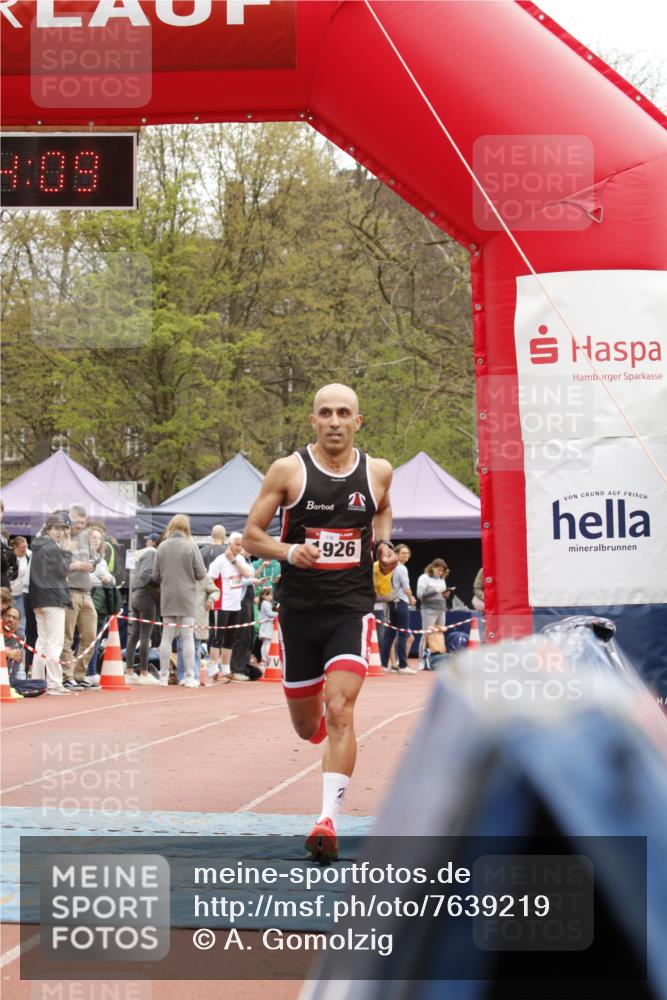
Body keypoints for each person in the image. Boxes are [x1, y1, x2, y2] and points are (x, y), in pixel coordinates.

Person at [243, 383, 397, 863]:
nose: (334, 421)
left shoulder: (378, 472)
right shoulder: (288, 471)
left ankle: (328, 819)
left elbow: (384, 509)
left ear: (358, 421)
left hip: (351, 608)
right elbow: (250, 535)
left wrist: (383, 547)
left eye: (343, 413)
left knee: (342, 710)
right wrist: (289, 550)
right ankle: (321, 737)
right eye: (325, 413)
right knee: (308, 724)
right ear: (313, 421)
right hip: (299, 612)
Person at [152, 514, 206, 687]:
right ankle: (189, 676)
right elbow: (201, 574)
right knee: (188, 636)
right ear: (186, 528)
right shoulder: (191, 546)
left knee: (166, 637)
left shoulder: (162, 547)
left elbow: (155, 576)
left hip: (168, 596)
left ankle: (163, 676)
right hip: (187, 597)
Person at [29, 513, 73, 695]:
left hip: (38, 598)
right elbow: (61, 571)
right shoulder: (51, 547)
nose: (60, 532)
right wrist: (68, 551)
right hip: (53, 597)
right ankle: (54, 684)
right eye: (57, 529)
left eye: (62, 529)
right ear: (48, 529)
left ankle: (38, 681)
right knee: (54, 643)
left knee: (43, 642)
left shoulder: (38, 545)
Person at [208, 533, 255, 682]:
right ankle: (213, 670)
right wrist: (210, 598)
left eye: (241, 545)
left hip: (236, 605)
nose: (240, 548)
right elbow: (209, 580)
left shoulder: (239, 559)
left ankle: (226, 669)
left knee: (230, 638)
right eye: (237, 544)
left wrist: (234, 561)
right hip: (221, 605)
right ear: (229, 543)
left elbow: (247, 573)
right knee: (218, 638)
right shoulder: (219, 561)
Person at [60, 505, 98, 689]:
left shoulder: (85, 539)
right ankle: (66, 676)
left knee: (90, 636)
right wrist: (76, 565)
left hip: (86, 591)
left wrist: (92, 564)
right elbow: (56, 566)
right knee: (67, 636)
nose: (80, 526)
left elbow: (92, 560)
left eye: (83, 522)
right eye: (77, 522)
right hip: (70, 590)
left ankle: (79, 673)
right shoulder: (62, 537)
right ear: (70, 518)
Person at [124, 534, 160, 685]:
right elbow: (147, 576)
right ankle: (144, 672)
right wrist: (158, 584)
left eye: (148, 539)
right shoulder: (152, 553)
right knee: (145, 635)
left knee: (135, 635)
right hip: (146, 596)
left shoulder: (140, 554)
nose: (146, 541)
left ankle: (130, 671)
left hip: (136, 595)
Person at [380, 543, 417, 674]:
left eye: (408, 553)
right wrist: (411, 598)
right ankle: (402, 665)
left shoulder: (386, 566)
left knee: (389, 635)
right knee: (403, 634)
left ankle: (384, 665)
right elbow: (406, 587)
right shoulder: (401, 568)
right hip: (400, 602)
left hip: (390, 603)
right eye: (403, 553)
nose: (406, 556)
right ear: (395, 554)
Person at [416, 558, 452, 667]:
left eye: (442, 571)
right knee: (427, 634)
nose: (440, 572)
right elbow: (420, 595)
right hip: (429, 609)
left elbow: (441, 595)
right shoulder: (424, 577)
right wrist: (435, 590)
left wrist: (445, 594)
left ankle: (438, 659)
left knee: (439, 633)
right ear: (433, 567)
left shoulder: (441, 579)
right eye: (439, 570)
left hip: (441, 609)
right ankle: (422, 660)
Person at [9, 536, 31, 629]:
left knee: (21, 616)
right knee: (7, 616)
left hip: (22, 592)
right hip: (9, 592)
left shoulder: (29, 555)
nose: (24, 549)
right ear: (15, 547)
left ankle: (20, 639)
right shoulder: (9, 555)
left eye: (26, 546)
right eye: (22, 547)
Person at [257, 586, 279, 666]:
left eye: (271, 595)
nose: (271, 596)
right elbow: (269, 614)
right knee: (268, 642)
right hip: (267, 625)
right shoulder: (266, 603)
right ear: (263, 596)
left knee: (265, 643)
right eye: (268, 595)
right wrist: (279, 614)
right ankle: (267, 659)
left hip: (264, 625)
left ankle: (264, 659)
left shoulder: (263, 603)